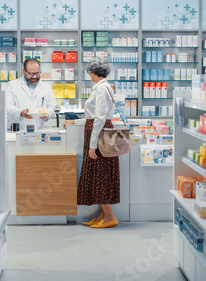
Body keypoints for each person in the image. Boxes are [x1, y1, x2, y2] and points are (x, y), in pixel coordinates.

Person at [64, 58, 120, 228]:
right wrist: (75, 122)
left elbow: (100, 118)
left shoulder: (102, 89)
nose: (89, 75)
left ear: (94, 73)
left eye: (89, 72)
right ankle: (102, 215)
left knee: (100, 175)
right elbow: (92, 117)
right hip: (96, 132)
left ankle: (110, 216)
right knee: (98, 175)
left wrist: (92, 145)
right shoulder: (101, 87)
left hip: (100, 136)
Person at [5, 58, 56, 131]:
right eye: (31, 74)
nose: (35, 77)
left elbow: (53, 108)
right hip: (18, 130)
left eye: (37, 73)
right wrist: (20, 112)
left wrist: (48, 114)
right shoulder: (12, 85)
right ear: (24, 71)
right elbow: (7, 107)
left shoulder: (46, 87)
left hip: (38, 130)